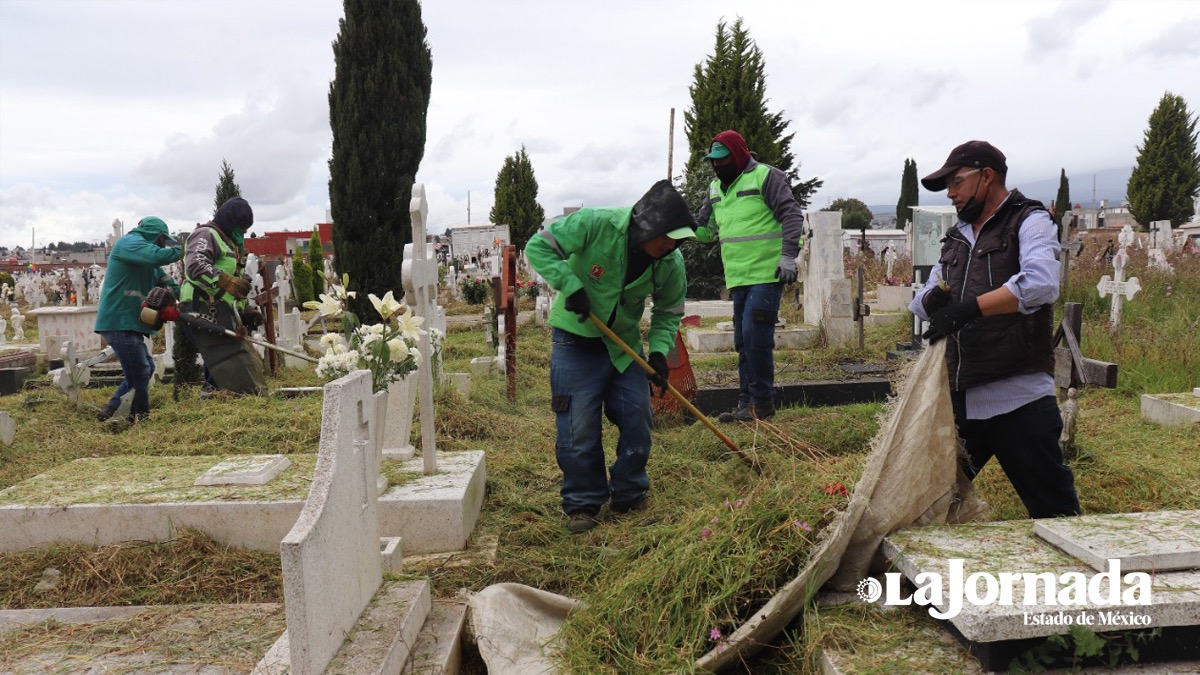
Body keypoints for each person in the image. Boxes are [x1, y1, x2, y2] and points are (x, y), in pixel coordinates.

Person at [909, 140, 1080, 519]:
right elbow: (920, 302)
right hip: (961, 397)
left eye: (956, 182)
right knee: (926, 509)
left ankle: (1077, 577)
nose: (951, 194)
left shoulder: (1029, 220)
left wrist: (971, 308)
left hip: (1017, 396)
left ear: (987, 176)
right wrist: (932, 301)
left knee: (1056, 514)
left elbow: (1041, 283)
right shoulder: (956, 237)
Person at [525, 179, 695, 534]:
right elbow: (538, 247)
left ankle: (630, 493)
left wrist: (660, 354)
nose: (672, 244)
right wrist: (570, 285)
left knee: (638, 417)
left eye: (678, 239)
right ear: (647, 225)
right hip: (576, 341)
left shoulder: (670, 262)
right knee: (578, 427)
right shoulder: (595, 224)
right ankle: (583, 503)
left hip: (623, 348)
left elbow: (668, 312)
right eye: (667, 236)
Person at [694, 129, 806, 422]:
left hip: (767, 273)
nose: (718, 165)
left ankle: (763, 403)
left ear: (739, 153)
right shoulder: (714, 189)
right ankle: (746, 404)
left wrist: (788, 258)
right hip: (738, 277)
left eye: (723, 158)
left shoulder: (766, 177)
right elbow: (705, 231)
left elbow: (792, 215)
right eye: (713, 161)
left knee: (757, 339)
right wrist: (687, 229)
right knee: (743, 341)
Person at [93, 216, 181, 423]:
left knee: (145, 368)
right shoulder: (129, 244)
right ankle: (140, 416)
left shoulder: (147, 263)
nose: (163, 244)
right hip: (118, 320)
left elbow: (165, 281)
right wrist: (182, 250)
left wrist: (181, 298)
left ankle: (112, 410)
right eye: (161, 239)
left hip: (130, 322)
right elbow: (156, 256)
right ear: (154, 235)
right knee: (140, 370)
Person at [178, 196, 267, 395]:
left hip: (219, 308)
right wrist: (225, 281)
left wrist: (246, 309)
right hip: (202, 306)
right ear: (229, 220)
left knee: (227, 363)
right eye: (241, 226)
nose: (244, 232)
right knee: (224, 363)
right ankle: (213, 400)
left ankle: (218, 397)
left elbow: (236, 285)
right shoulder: (205, 235)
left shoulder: (228, 243)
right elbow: (195, 265)